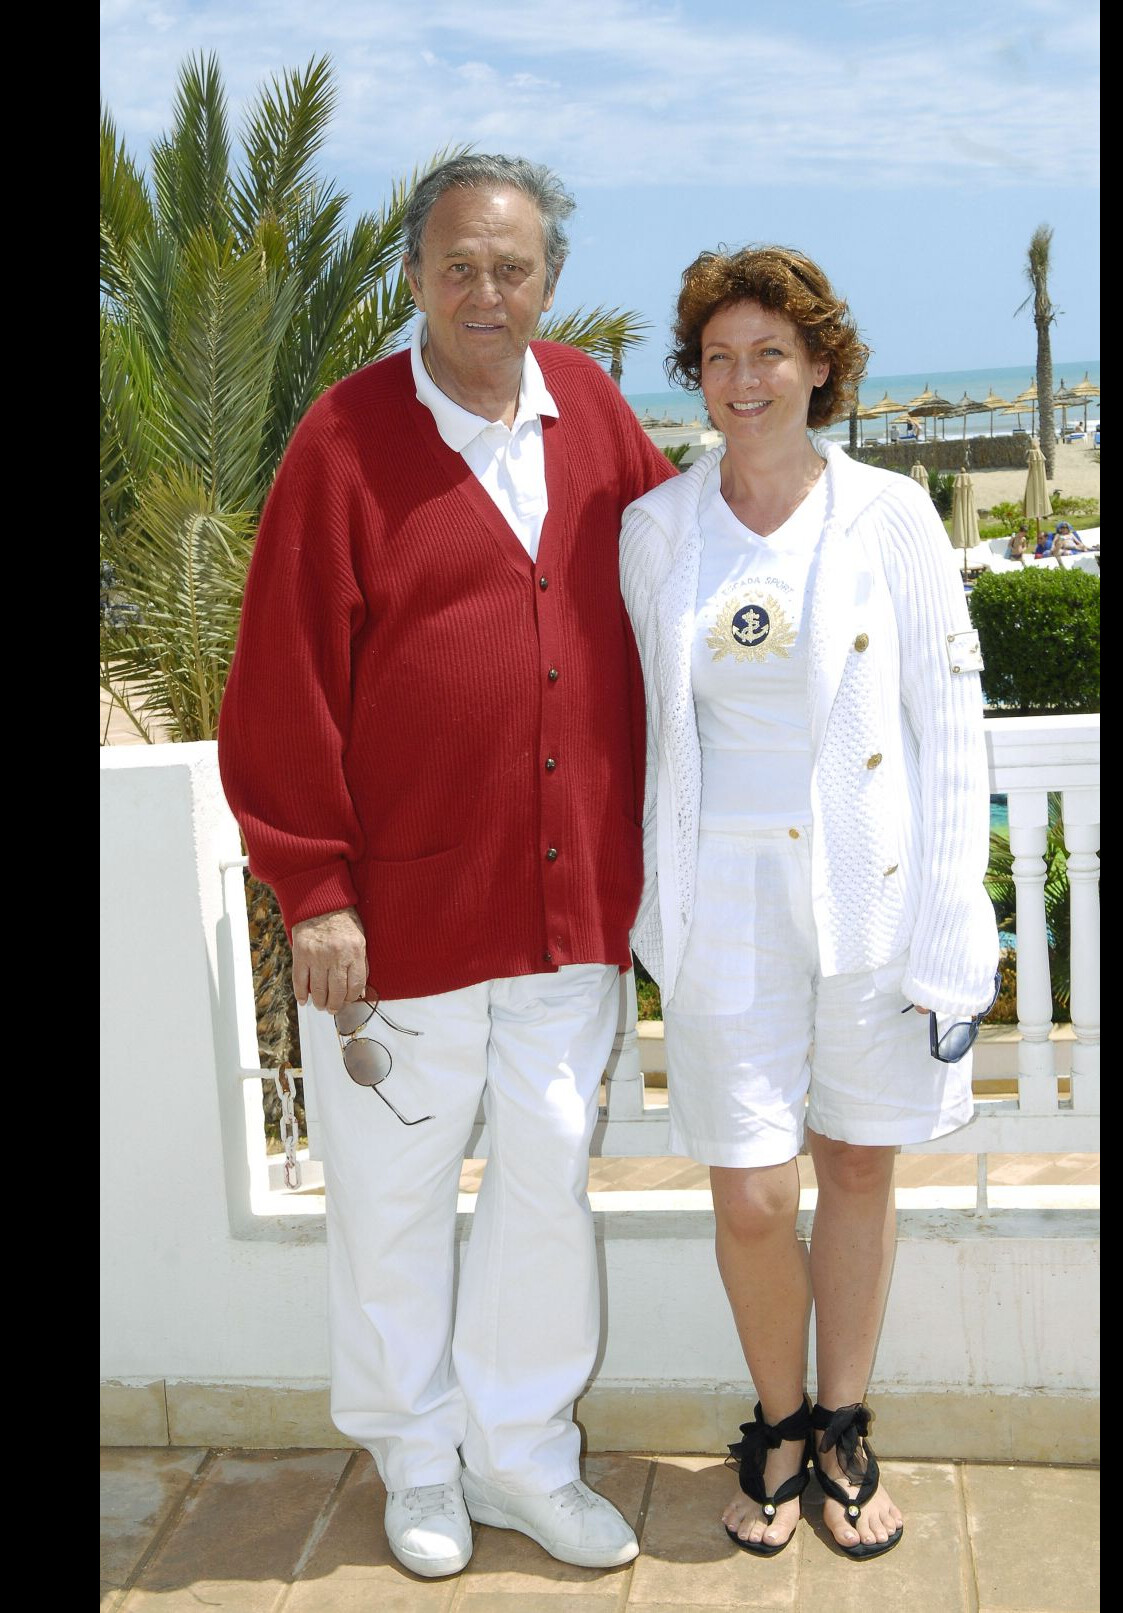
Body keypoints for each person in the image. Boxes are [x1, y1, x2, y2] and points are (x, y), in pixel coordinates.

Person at [219, 153, 675, 1580]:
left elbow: (678, 577)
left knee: (545, 1188)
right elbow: (282, 680)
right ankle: (418, 1457)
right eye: (459, 265)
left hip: (565, 910)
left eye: (516, 268)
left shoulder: (593, 411)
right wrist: (316, 885)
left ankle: (524, 1455)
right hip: (399, 916)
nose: (488, 291)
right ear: (414, 277)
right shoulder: (345, 441)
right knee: (394, 1204)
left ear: (551, 282)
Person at [619, 247, 998, 1562]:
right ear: (697, 375)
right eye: (720, 357)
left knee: (856, 1164)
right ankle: (772, 1423)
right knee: (748, 1194)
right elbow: (642, 733)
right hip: (724, 900)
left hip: (870, 893)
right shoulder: (659, 530)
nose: (744, 379)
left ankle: (841, 1426)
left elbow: (950, 727)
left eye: (770, 353)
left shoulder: (891, 515)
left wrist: (960, 921)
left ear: (820, 365)